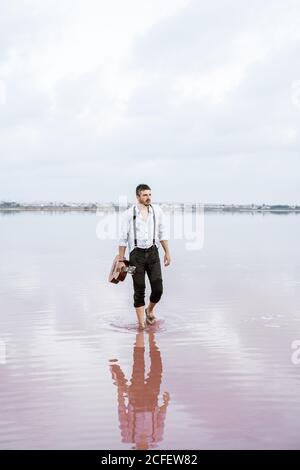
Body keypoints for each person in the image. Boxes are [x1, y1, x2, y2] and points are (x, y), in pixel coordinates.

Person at [117, 184, 171, 329]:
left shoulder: (157, 211)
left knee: (158, 289)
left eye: (150, 195)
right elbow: (122, 239)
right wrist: (121, 261)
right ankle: (141, 325)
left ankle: (150, 310)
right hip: (135, 256)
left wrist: (167, 252)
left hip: (153, 254)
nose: (148, 198)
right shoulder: (128, 214)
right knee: (139, 289)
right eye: (145, 195)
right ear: (138, 197)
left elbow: (162, 233)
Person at [109, 330, 170, 449]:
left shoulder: (128, 437)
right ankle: (151, 338)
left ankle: (142, 333)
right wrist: (165, 404)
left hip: (135, 397)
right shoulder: (156, 438)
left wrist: (120, 393)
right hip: (152, 397)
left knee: (138, 363)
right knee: (157, 367)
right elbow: (160, 419)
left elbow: (122, 412)